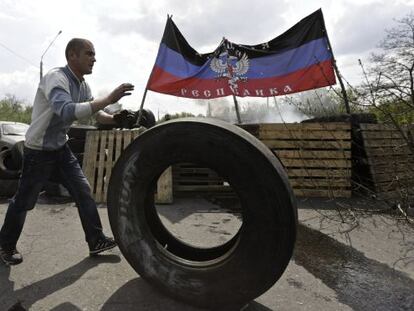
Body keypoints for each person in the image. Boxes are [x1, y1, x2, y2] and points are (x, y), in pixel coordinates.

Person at [0, 38, 134, 265]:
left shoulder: (83, 85)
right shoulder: (56, 78)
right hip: (38, 150)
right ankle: (5, 245)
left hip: (60, 148)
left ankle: (96, 240)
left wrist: (114, 118)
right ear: (72, 55)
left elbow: (94, 114)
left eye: (94, 54)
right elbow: (67, 111)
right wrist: (109, 98)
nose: (94, 59)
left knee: (83, 190)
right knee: (24, 201)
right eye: (89, 54)